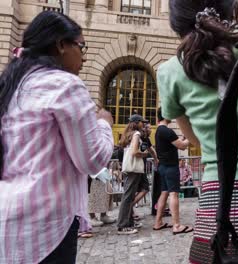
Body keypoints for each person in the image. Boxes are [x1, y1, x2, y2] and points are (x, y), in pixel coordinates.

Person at [156, 1, 238, 262]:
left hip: (218, 204)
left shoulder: (169, 72)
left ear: (176, 22)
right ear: (232, 10)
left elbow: (196, 141)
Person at [0, 11, 114, 264]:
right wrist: (105, 124)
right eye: (81, 46)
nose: (84, 57)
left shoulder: (12, 84)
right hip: (47, 225)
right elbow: (93, 160)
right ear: (62, 44)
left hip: (8, 222)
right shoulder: (65, 84)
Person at [152, 108, 193, 234]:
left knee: (164, 193)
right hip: (170, 167)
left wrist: (182, 139)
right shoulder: (167, 130)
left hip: (163, 167)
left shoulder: (159, 130)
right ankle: (177, 225)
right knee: (173, 194)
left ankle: (158, 222)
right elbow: (182, 145)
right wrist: (191, 137)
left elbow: (174, 143)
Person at [116, 114, 149, 235]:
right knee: (128, 196)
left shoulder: (128, 134)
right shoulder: (136, 134)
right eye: (141, 122)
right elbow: (135, 152)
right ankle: (122, 225)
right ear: (136, 123)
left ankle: (128, 222)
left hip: (130, 169)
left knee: (128, 196)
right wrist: (144, 154)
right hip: (133, 169)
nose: (143, 124)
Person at [132, 122, 157, 221]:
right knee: (145, 188)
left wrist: (155, 159)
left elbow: (151, 150)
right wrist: (145, 155)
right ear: (145, 129)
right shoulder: (138, 136)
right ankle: (129, 206)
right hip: (136, 167)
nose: (151, 130)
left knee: (140, 189)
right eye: (149, 128)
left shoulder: (146, 139)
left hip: (140, 168)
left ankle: (130, 210)